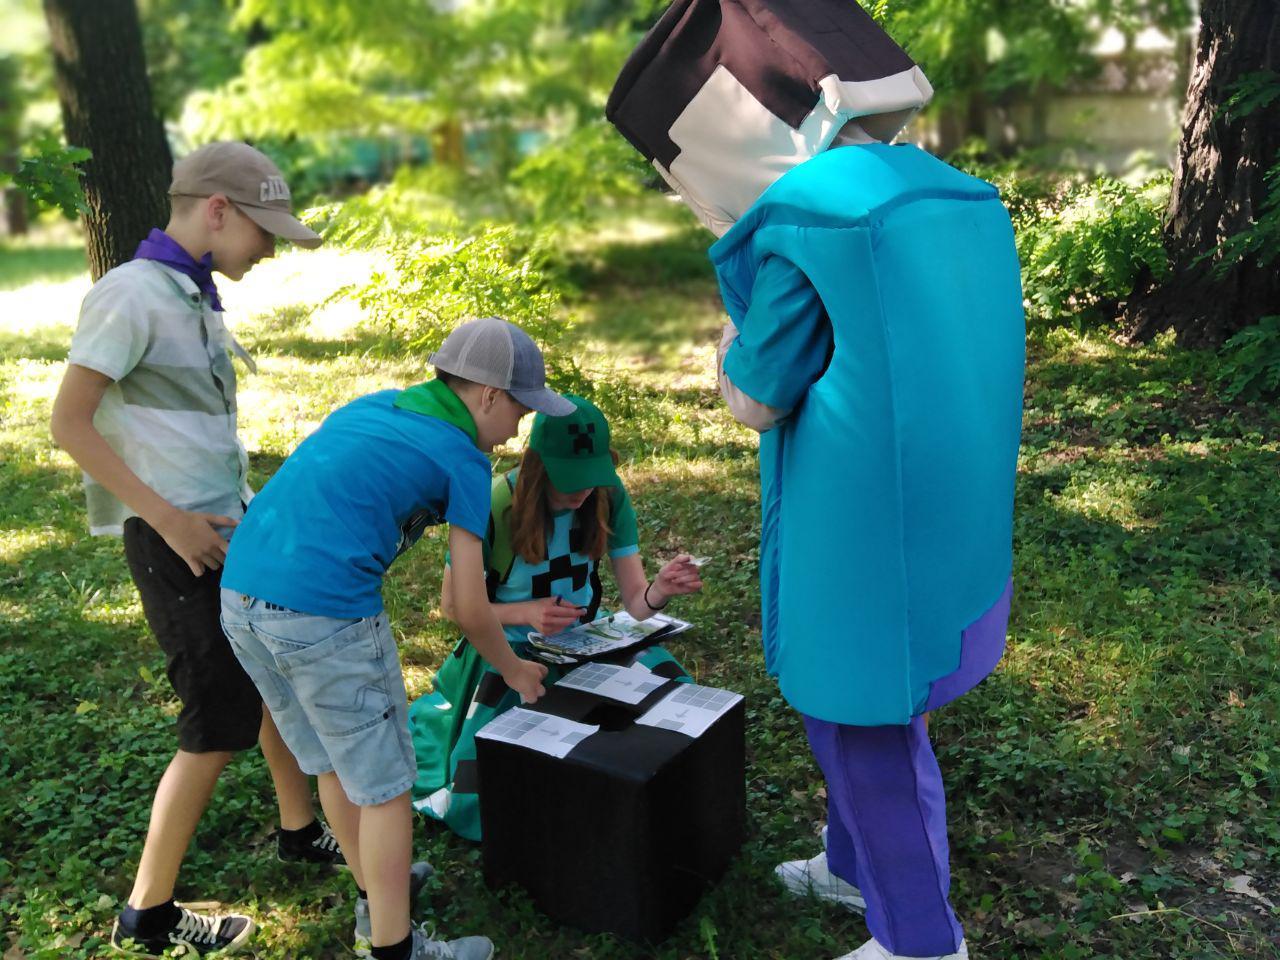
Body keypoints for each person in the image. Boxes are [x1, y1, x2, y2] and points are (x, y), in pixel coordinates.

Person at [607, 4, 1025, 959]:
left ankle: (922, 942)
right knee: (864, 709)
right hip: (942, 517)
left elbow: (757, 393)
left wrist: (725, 338)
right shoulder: (946, 190)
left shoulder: (815, 217)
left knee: (861, 724)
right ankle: (849, 864)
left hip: (862, 537)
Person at [49, 141, 340, 955]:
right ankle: (148, 912)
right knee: (216, 721)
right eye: (265, 230)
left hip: (222, 530)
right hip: (171, 542)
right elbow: (69, 423)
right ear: (218, 210)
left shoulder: (193, 292)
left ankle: (297, 828)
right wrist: (171, 519)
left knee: (269, 669)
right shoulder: (131, 294)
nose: (273, 247)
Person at [218, 316, 571, 960]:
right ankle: (396, 946)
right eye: (520, 408)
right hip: (324, 614)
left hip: (241, 594)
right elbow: (468, 606)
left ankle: (375, 894)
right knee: (384, 789)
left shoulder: (376, 405)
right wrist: (515, 672)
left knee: (330, 760)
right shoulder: (464, 459)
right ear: (488, 395)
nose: (519, 427)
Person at [410, 394, 703, 840]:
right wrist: (525, 611)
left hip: (587, 638)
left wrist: (659, 590)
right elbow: (455, 607)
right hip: (505, 646)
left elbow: (635, 603)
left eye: (591, 477)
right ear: (538, 466)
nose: (582, 490)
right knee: (494, 765)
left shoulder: (607, 496)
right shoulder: (493, 504)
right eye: (570, 478)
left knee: (669, 696)